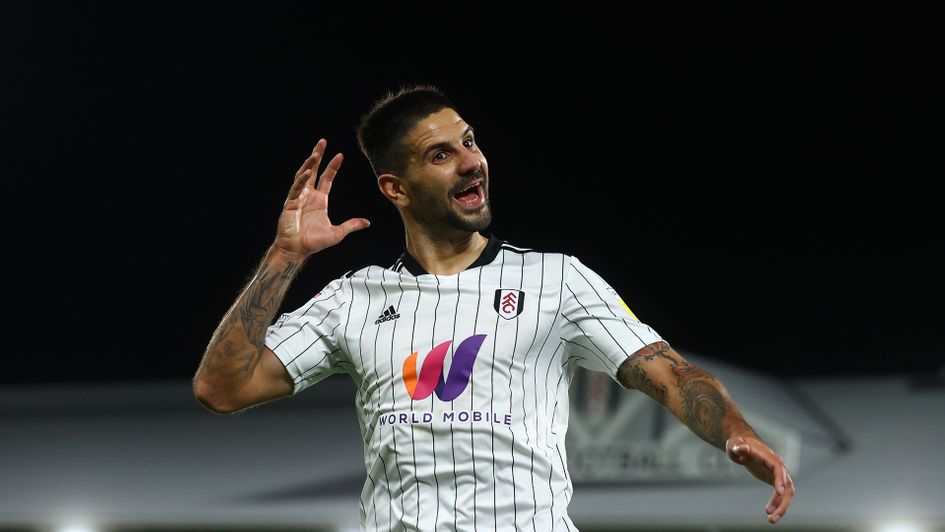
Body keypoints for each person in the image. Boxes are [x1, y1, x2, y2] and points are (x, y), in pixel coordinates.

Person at [193, 85, 795, 530]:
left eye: (470, 141)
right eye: (440, 154)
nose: (470, 160)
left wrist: (736, 433)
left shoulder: (557, 280)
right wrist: (284, 256)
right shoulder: (352, 299)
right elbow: (221, 388)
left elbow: (673, 375)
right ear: (394, 189)